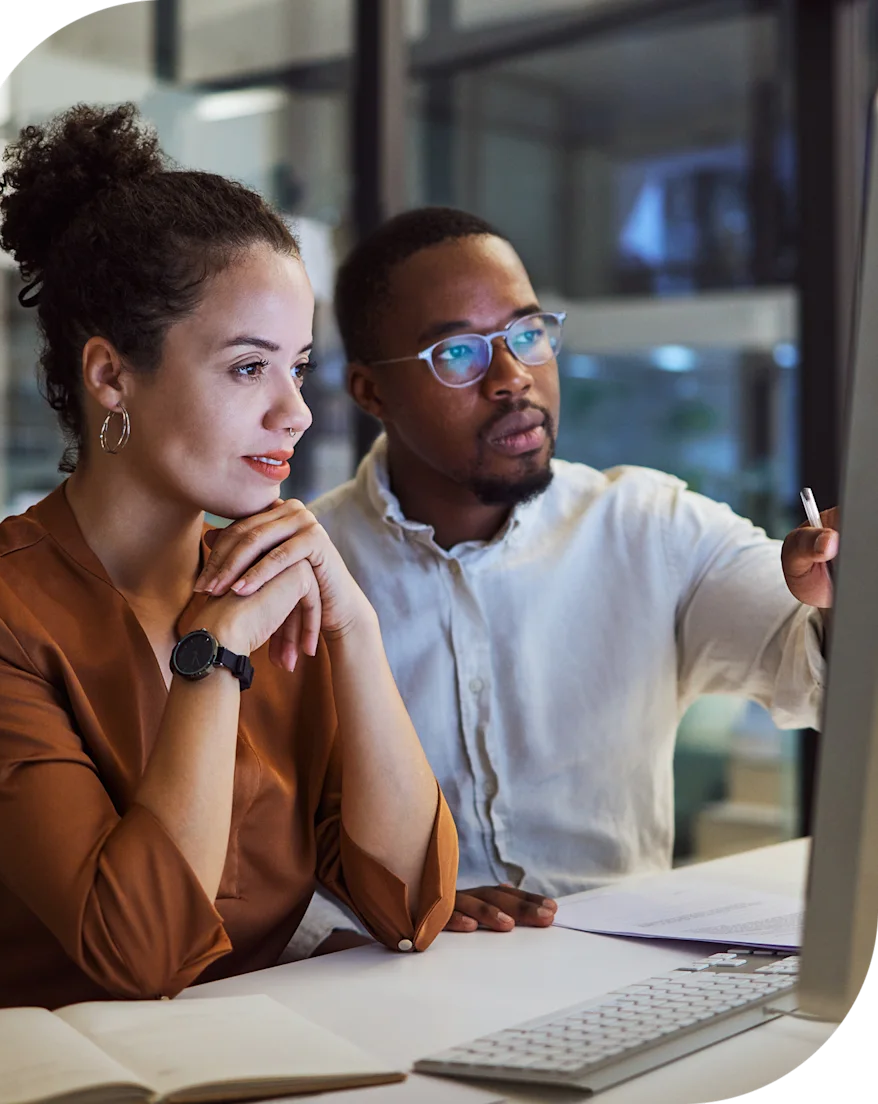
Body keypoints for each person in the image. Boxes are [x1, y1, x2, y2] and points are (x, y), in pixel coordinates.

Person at [0, 107, 458, 1013]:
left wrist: (355, 628)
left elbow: (408, 905)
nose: (295, 413)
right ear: (110, 376)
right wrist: (214, 655)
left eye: (297, 368)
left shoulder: (280, 585)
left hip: (262, 1055)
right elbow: (143, 953)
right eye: (246, 368)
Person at [283, 206, 837, 960]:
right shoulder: (303, 574)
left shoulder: (648, 525)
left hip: (627, 969)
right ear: (370, 392)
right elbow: (251, 856)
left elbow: (813, 675)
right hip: (393, 972)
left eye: (527, 332)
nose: (513, 377)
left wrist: (839, 599)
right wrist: (371, 920)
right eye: (457, 353)